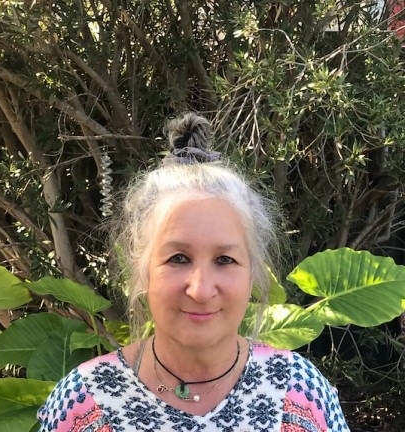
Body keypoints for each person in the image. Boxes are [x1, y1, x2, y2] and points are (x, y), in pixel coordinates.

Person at [37, 112, 349, 431]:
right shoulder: (82, 404)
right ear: (142, 270)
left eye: (225, 260)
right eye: (178, 258)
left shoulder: (301, 396)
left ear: (253, 273)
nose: (200, 290)